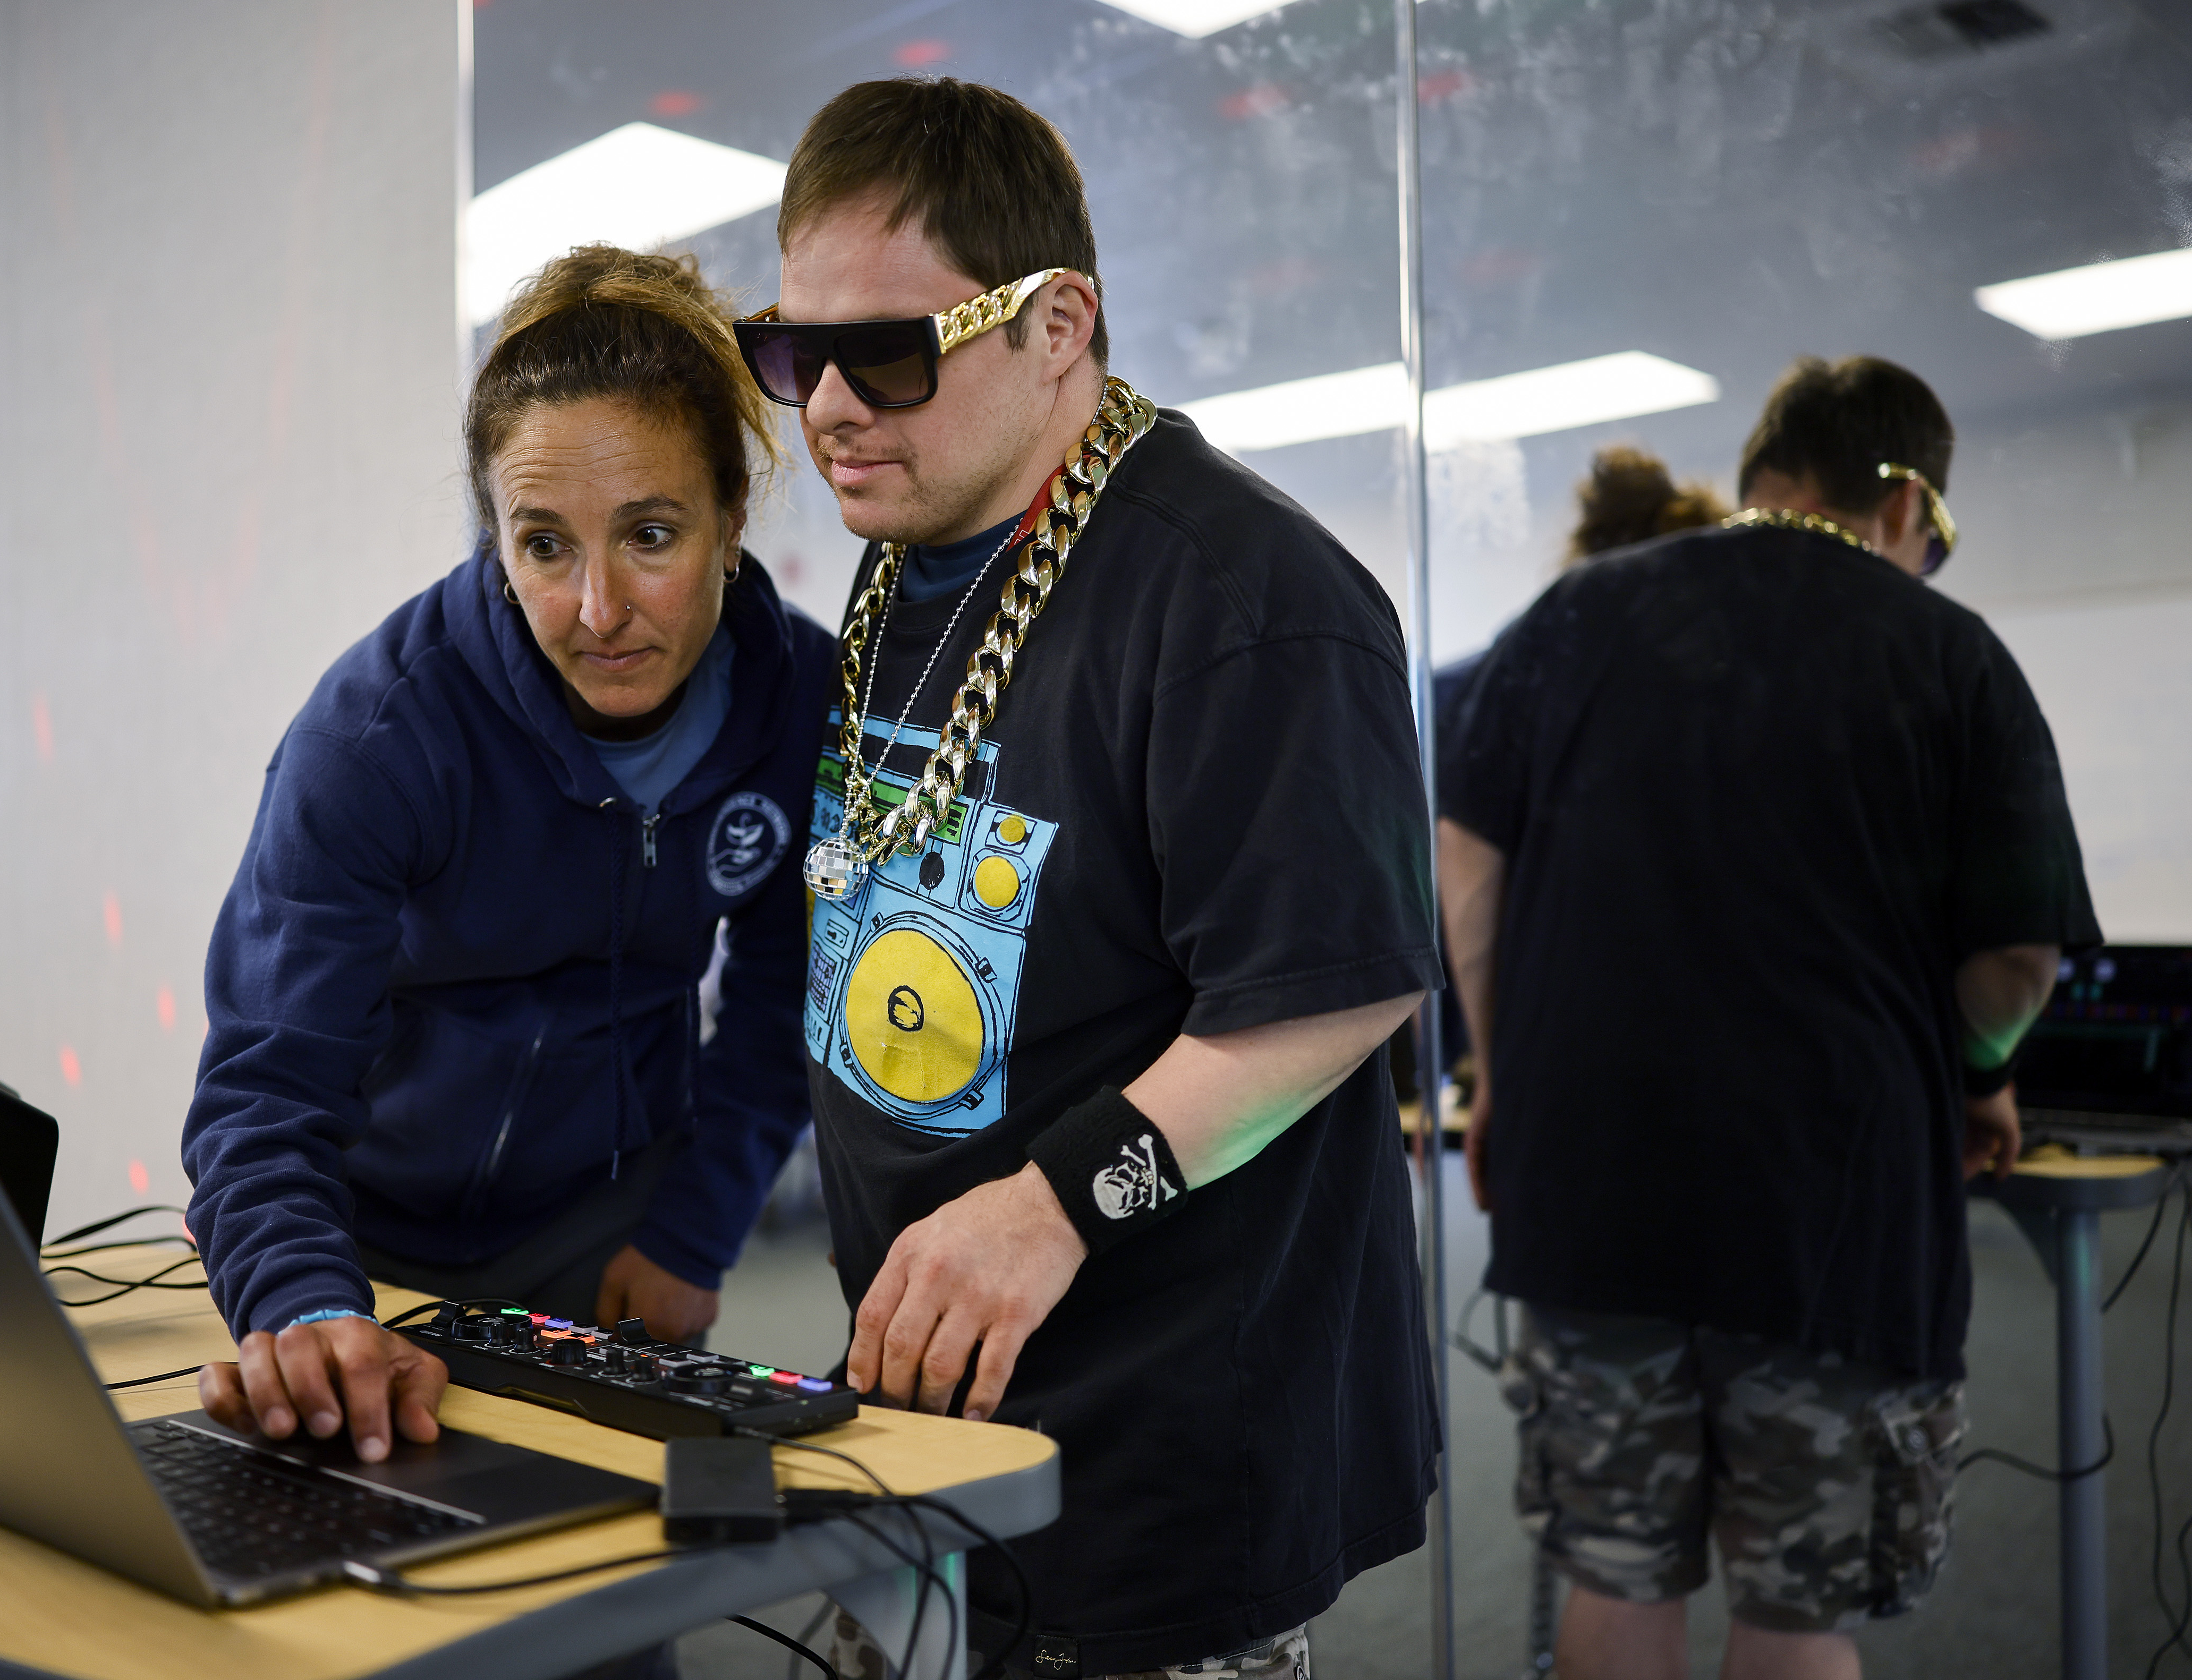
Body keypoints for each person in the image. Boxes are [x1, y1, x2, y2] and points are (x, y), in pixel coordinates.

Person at [745, 79, 1440, 1678]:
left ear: (1055, 325)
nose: (830, 405)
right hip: (920, 1402)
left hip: (1156, 1437)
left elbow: (1332, 989)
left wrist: (1056, 1203)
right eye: (791, 354)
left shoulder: (1243, 594)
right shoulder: (909, 560)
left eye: (889, 351)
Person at [1438, 356, 2100, 1680]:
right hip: (1833, 1210)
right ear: (1903, 498)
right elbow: (2017, 957)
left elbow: (1464, 864)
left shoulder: (1574, 614)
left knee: (1612, 1571)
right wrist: (1975, 1075)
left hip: (1591, 1191)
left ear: (1763, 472)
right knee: (1798, 1609)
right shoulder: (1951, 653)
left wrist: (1504, 1073)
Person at [180, 246, 832, 1465]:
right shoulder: (377, 738)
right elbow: (267, 1088)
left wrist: (695, 1229)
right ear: (494, 538)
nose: (598, 608)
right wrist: (307, 1302)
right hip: (365, 1242)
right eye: (544, 546)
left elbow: (781, 993)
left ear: (733, 516)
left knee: (615, 1560)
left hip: (608, 1234)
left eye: (650, 534)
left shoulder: (797, 702)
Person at [1426, 447, 1728, 1086]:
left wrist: (1489, 1060)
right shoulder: (1718, 689)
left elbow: (1462, 876)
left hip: (1555, 1043)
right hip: (1696, 1034)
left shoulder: (1503, 674)